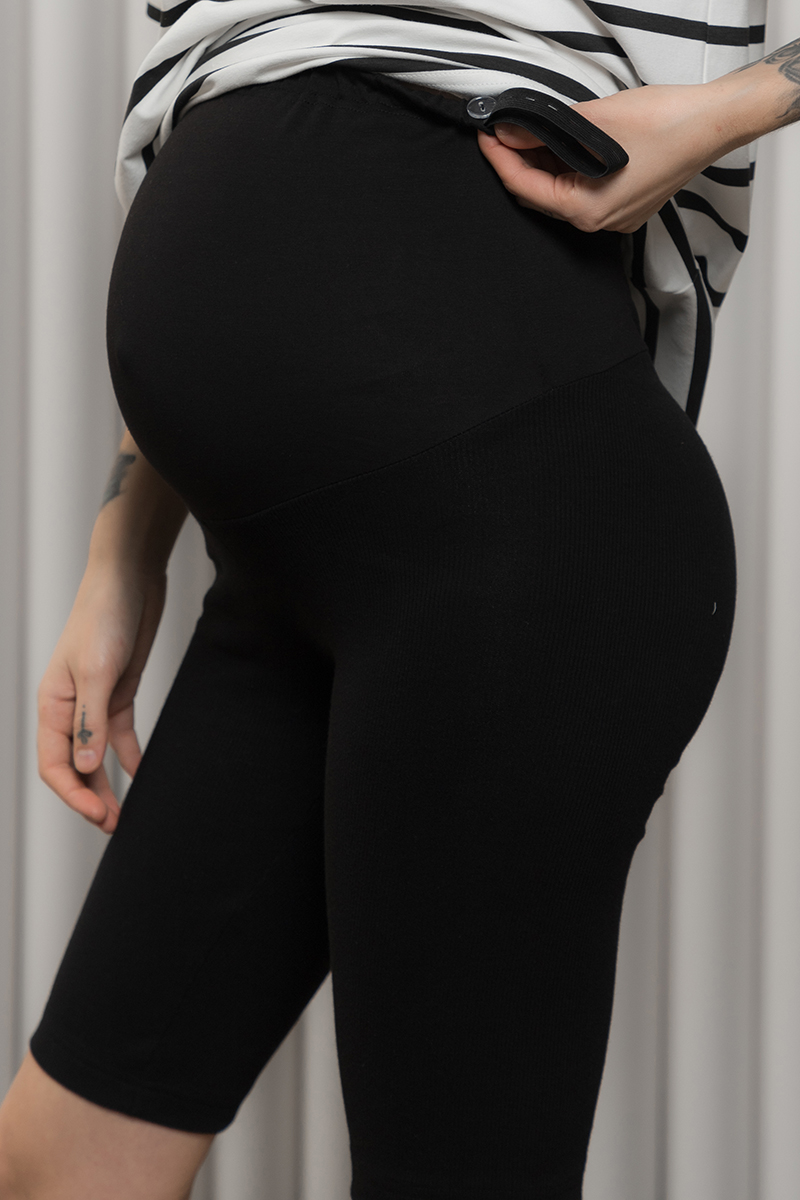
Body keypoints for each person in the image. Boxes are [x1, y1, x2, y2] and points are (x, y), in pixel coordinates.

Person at [0, 0, 797, 1194]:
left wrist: (732, 107)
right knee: (59, 1163)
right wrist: (123, 555)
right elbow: (233, 107)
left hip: (512, 508)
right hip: (284, 563)